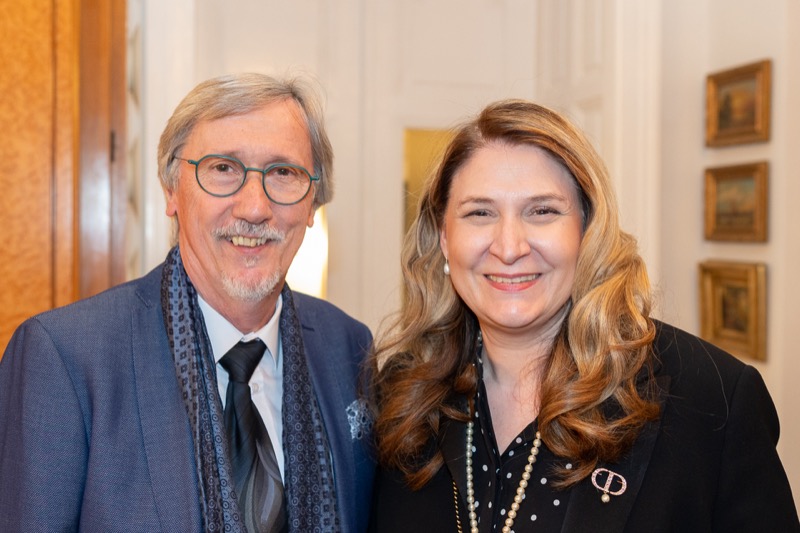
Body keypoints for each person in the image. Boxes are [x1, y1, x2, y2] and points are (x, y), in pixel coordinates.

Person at [368, 99, 799, 532]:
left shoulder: (712, 401)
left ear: (587, 231)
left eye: (542, 211)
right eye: (480, 213)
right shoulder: (404, 394)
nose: (509, 247)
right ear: (445, 237)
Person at [0, 73, 374, 533]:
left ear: (313, 203)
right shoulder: (65, 359)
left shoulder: (348, 348)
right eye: (223, 168)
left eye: (283, 173)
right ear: (171, 190)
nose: (254, 208)